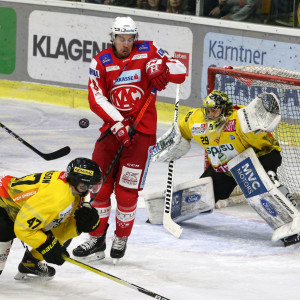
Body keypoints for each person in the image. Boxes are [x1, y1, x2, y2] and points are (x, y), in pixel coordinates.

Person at [72, 16, 186, 262]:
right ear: (112, 38)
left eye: (130, 38)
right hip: (111, 133)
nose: (126, 43)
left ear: (135, 37)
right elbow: (97, 98)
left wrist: (162, 67)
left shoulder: (149, 50)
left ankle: (121, 237)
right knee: (99, 188)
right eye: (121, 38)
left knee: (126, 192)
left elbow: (180, 72)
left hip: (141, 135)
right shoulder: (100, 61)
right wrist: (117, 123)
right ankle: (96, 238)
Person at [171, 90, 297, 245]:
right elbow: (180, 130)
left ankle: (292, 221)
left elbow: (270, 145)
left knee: (264, 186)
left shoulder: (240, 122)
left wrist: (267, 168)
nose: (210, 115)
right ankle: (169, 212)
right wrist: (174, 144)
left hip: (260, 157)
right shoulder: (196, 120)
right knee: (202, 198)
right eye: (207, 111)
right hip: (226, 168)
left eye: (214, 111)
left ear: (224, 109)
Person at [0, 157, 102, 279]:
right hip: (3, 206)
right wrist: (46, 246)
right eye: (90, 185)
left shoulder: (73, 188)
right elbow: (22, 229)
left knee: (59, 238)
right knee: (6, 230)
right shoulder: (56, 198)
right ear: (81, 184)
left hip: (15, 208)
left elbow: (62, 230)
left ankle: (31, 262)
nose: (92, 189)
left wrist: (79, 226)